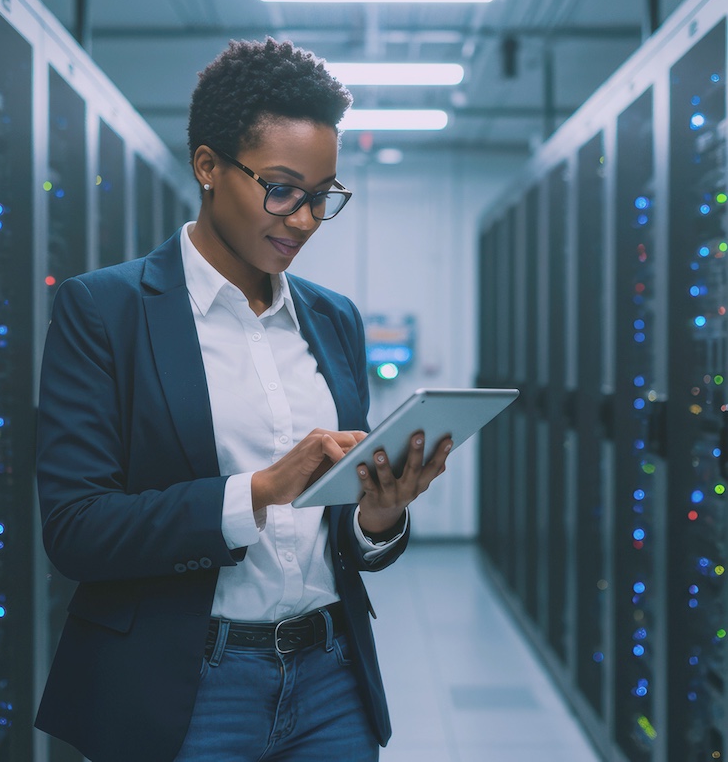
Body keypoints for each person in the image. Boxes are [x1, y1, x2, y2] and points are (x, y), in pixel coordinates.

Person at [33, 37, 453, 762]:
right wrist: (258, 491)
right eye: (282, 189)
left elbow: (341, 534)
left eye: (322, 197)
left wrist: (380, 514)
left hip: (330, 678)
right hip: (185, 688)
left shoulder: (334, 318)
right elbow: (76, 529)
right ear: (208, 166)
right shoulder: (105, 310)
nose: (304, 219)